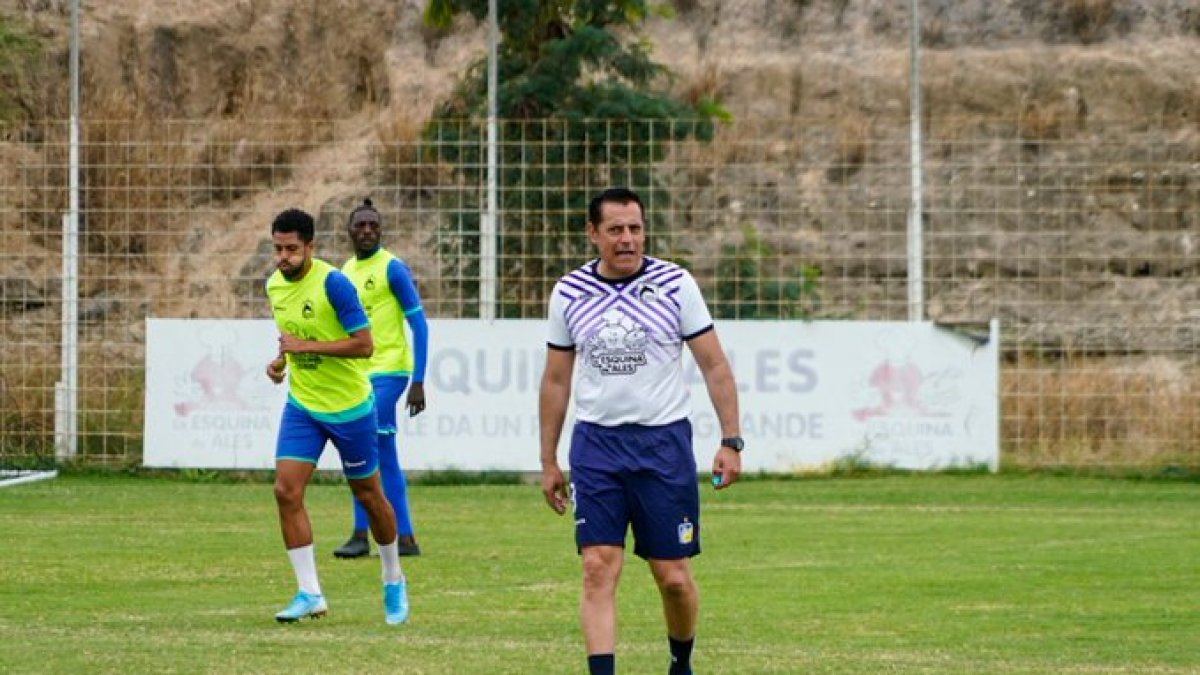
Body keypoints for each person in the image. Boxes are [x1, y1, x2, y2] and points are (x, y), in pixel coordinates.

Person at [538, 187, 744, 675]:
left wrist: (731, 440)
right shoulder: (570, 292)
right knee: (597, 568)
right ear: (593, 234)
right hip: (597, 447)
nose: (627, 239)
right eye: (615, 230)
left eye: (635, 229)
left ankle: (680, 662)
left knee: (672, 576)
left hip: (663, 446)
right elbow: (555, 379)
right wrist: (548, 460)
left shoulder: (676, 284)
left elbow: (714, 365)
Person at [264, 207, 410, 625]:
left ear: (310, 246)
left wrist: (306, 349)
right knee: (285, 491)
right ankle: (310, 593)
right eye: (278, 248)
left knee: (370, 495)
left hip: (350, 407)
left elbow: (364, 345)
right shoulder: (274, 286)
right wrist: (279, 364)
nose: (283, 257)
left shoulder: (334, 284)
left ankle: (393, 577)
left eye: (292, 248)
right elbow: (292, 342)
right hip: (304, 407)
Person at [332, 198, 430, 559]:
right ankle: (401, 538)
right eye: (361, 225)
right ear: (350, 231)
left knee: (369, 449)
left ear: (382, 229)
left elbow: (419, 323)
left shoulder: (393, 268)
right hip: (358, 375)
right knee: (377, 453)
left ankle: (367, 534)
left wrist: (418, 380)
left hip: (389, 372)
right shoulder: (345, 272)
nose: (368, 230)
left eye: (374, 225)